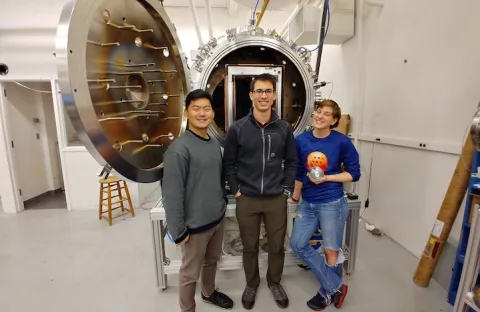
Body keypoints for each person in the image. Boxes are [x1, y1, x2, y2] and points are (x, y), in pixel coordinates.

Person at [223, 73, 298, 309]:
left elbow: (292, 162)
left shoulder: (284, 128)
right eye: (259, 91)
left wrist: (286, 189)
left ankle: (274, 282)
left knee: (277, 245)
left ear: (274, 96)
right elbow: (229, 163)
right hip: (248, 199)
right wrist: (236, 190)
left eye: (268, 91)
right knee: (249, 245)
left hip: (276, 198)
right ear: (251, 95)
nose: (263, 96)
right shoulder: (238, 128)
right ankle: (251, 284)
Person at [162, 89, 234, 312]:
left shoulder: (213, 143)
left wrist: (221, 203)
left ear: (213, 113)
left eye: (206, 109)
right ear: (186, 113)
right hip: (194, 227)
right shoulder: (179, 149)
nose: (202, 113)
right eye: (196, 109)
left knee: (212, 261)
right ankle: (188, 309)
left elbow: (215, 179)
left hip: (216, 218)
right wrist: (178, 230)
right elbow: (171, 194)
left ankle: (209, 292)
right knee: (189, 273)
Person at [289, 99, 361, 311]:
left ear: (334, 120)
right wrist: (295, 197)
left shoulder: (341, 142)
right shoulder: (301, 140)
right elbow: (300, 172)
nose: (320, 116)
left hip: (332, 202)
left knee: (331, 249)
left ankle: (326, 293)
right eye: (319, 111)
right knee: (298, 244)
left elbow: (353, 173)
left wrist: (327, 179)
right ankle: (336, 286)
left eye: (327, 114)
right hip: (308, 203)